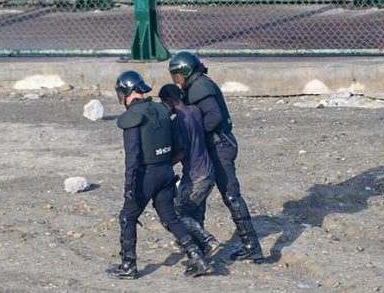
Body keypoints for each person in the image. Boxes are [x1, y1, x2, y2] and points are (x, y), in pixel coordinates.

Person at [106, 70, 213, 280]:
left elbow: (132, 157)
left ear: (128, 92)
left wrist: (129, 187)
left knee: (127, 217)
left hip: (147, 175)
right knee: (170, 218)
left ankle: (128, 265)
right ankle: (197, 256)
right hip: (166, 172)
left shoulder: (133, 116)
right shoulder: (161, 109)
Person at [167, 52, 265, 263]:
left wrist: (195, 134)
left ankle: (251, 245)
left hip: (220, 146)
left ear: (186, 71)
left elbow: (214, 117)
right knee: (199, 199)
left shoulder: (200, 86)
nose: (176, 80)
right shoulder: (196, 86)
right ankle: (201, 246)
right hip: (214, 146)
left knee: (231, 195)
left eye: (177, 75)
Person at [158, 83, 220, 258]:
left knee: (177, 212)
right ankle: (200, 253)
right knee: (196, 212)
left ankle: (208, 240)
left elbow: (182, 151)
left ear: (169, 101)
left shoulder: (178, 121)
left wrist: (164, 165)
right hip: (209, 171)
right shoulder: (195, 110)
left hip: (195, 175)